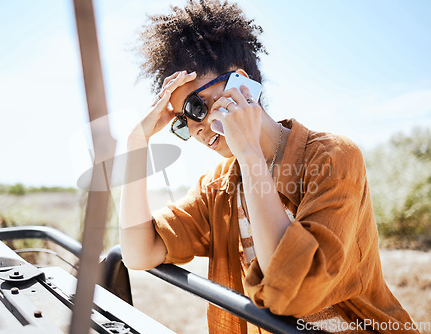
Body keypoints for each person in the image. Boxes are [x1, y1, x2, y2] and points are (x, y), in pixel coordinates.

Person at [118, 1, 419, 333]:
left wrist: (250, 155)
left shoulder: (333, 158)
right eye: (181, 122)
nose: (195, 128)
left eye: (195, 106)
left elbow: (293, 292)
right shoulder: (218, 188)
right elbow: (137, 252)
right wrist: (136, 142)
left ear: (240, 85)